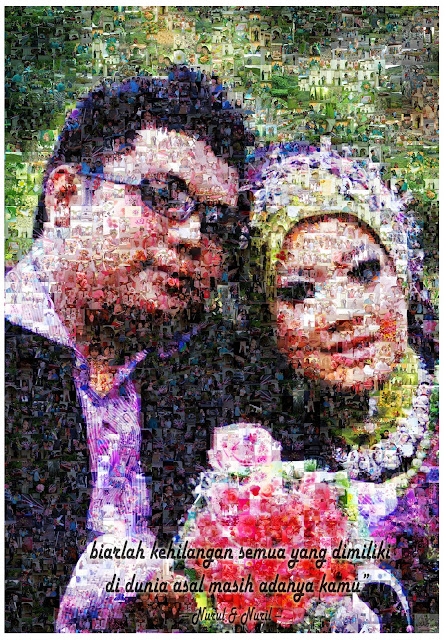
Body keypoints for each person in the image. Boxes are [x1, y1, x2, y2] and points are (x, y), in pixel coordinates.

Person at [5, 71, 248, 632]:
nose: (192, 237)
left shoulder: (213, 371)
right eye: (164, 197)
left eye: (216, 222)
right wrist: (130, 582)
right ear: (66, 197)